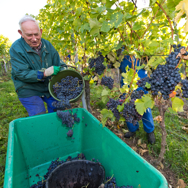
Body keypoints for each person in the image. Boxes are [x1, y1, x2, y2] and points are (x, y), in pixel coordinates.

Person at [9, 15, 67, 116]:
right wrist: (43, 73)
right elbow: (21, 73)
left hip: (48, 85)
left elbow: (58, 63)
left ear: (40, 31)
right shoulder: (16, 49)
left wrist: (63, 69)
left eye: (36, 34)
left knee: (59, 110)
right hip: (27, 87)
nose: (34, 39)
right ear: (21, 33)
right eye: (29, 35)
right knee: (38, 114)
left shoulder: (47, 45)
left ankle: (55, 130)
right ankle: (42, 130)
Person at [119, 55, 156, 144]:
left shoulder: (140, 44)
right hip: (126, 79)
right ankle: (133, 128)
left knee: (144, 104)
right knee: (128, 105)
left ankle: (149, 130)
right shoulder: (121, 47)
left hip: (141, 78)